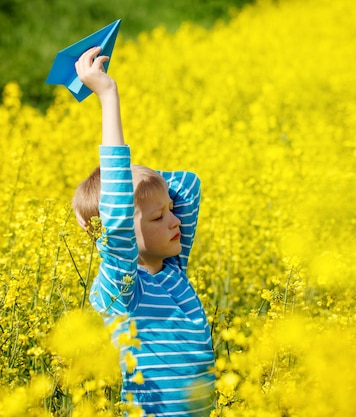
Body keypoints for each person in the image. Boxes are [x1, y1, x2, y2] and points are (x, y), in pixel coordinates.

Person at [71, 46, 216, 416]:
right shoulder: (121, 291)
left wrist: (150, 187)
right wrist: (107, 95)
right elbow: (120, 219)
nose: (175, 221)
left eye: (170, 211)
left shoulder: (173, 269)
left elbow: (189, 184)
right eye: (157, 218)